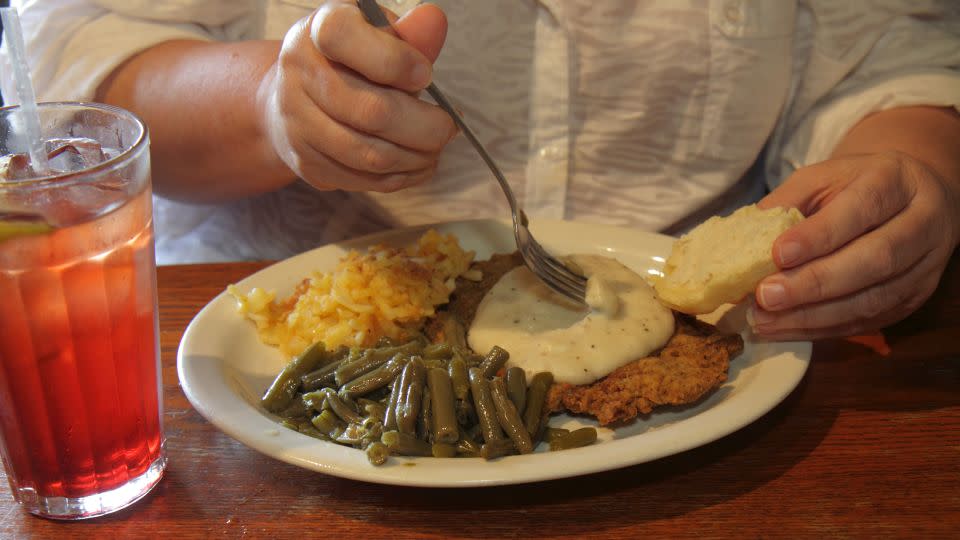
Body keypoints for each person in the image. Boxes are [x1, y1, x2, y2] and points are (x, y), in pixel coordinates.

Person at [2, 0, 958, 341]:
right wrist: (268, 105)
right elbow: (85, 64)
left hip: (728, 379)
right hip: (251, 366)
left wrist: (913, 168)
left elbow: (891, 55)